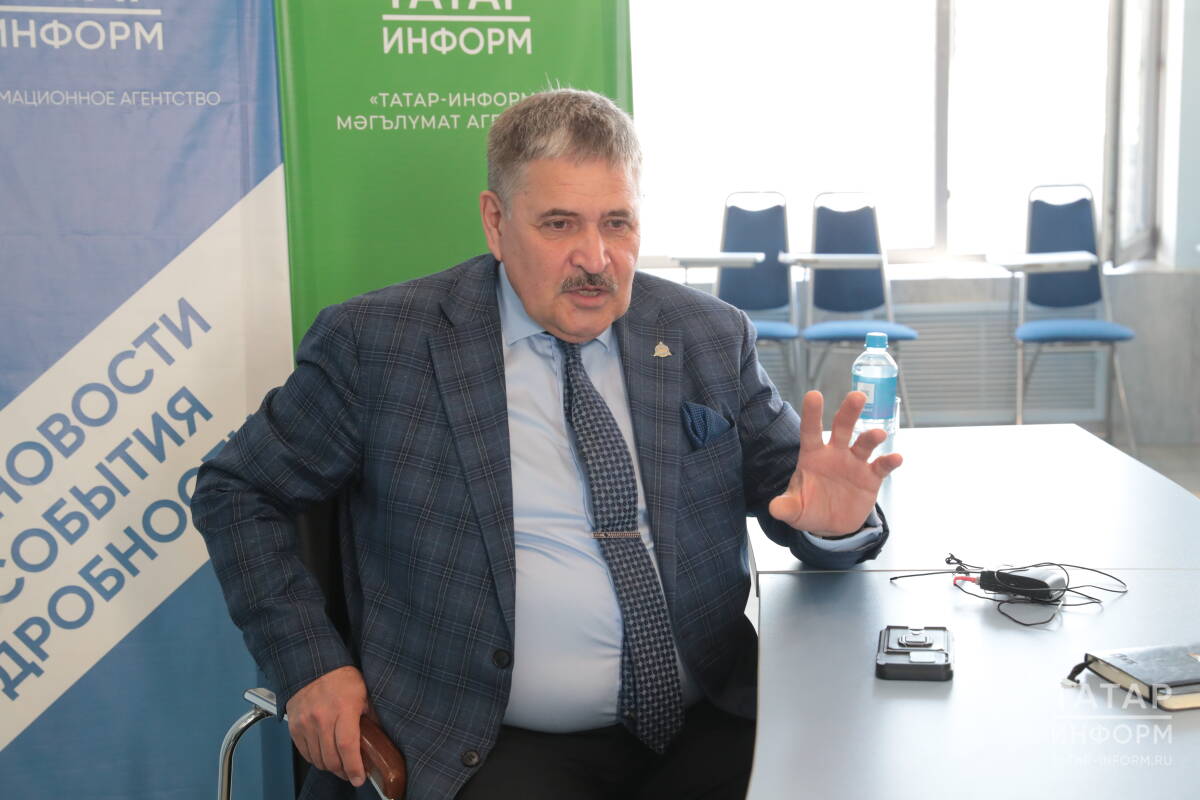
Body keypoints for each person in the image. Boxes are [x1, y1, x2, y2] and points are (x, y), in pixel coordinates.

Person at [192, 88, 902, 800]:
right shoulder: (380, 346)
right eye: (560, 224)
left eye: (617, 223)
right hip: (489, 743)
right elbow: (238, 491)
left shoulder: (706, 334)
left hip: (710, 714)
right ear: (496, 223)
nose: (595, 258)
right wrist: (310, 665)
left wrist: (838, 526)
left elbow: (798, 497)